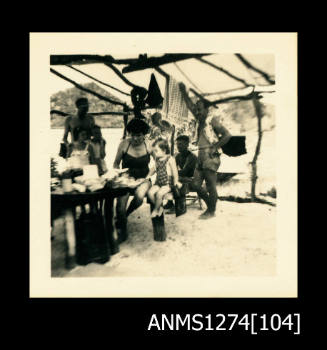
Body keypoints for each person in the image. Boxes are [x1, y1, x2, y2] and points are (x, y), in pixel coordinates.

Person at [179, 83, 232, 220]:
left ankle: (211, 210)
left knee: (210, 185)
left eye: (200, 109)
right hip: (200, 158)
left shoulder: (211, 120)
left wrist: (215, 147)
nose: (197, 111)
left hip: (210, 157)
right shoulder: (199, 120)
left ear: (207, 109)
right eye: (197, 109)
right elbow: (190, 106)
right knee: (196, 185)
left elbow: (227, 135)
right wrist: (183, 91)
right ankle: (211, 206)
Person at [113, 118, 153, 240]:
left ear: (144, 135)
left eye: (139, 135)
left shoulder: (149, 144)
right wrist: (120, 175)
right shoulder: (124, 144)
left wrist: (149, 176)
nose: (135, 138)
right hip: (127, 179)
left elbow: (159, 163)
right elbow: (115, 163)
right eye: (133, 135)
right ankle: (122, 230)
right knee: (120, 204)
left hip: (143, 179)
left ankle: (125, 215)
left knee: (139, 197)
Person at [146, 138, 182, 218]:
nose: (154, 153)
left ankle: (156, 210)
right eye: (154, 151)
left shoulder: (170, 159)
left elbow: (175, 171)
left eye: (156, 151)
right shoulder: (157, 159)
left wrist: (176, 181)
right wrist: (147, 176)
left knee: (159, 194)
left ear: (164, 150)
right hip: (158, 182)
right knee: (150, 193)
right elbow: (153, 169)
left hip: (167, 183)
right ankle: (159, 207)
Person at [164, 135, 198, 210]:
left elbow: (184, 171)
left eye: (180, 144)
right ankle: (170, 202)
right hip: (184, 178)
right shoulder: (178, 156)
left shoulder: (192, 157)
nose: (178, 146)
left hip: (193, 180)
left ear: (187, 145)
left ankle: (179, 205)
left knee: (175, 179)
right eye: (177, 144)